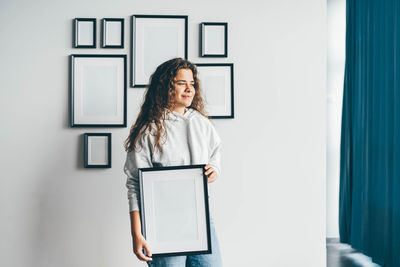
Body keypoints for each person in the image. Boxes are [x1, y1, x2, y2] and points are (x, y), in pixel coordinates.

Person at [123, 58, 223, 267]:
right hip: (163, 223)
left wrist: (214, 169)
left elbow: (215, 153)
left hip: (200, 218)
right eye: (181, 83)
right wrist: (136, 234)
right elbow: (135, 184)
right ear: (166, 86)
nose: (189, 89)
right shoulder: (149, 131)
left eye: (192, 84)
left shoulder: (202, 124)